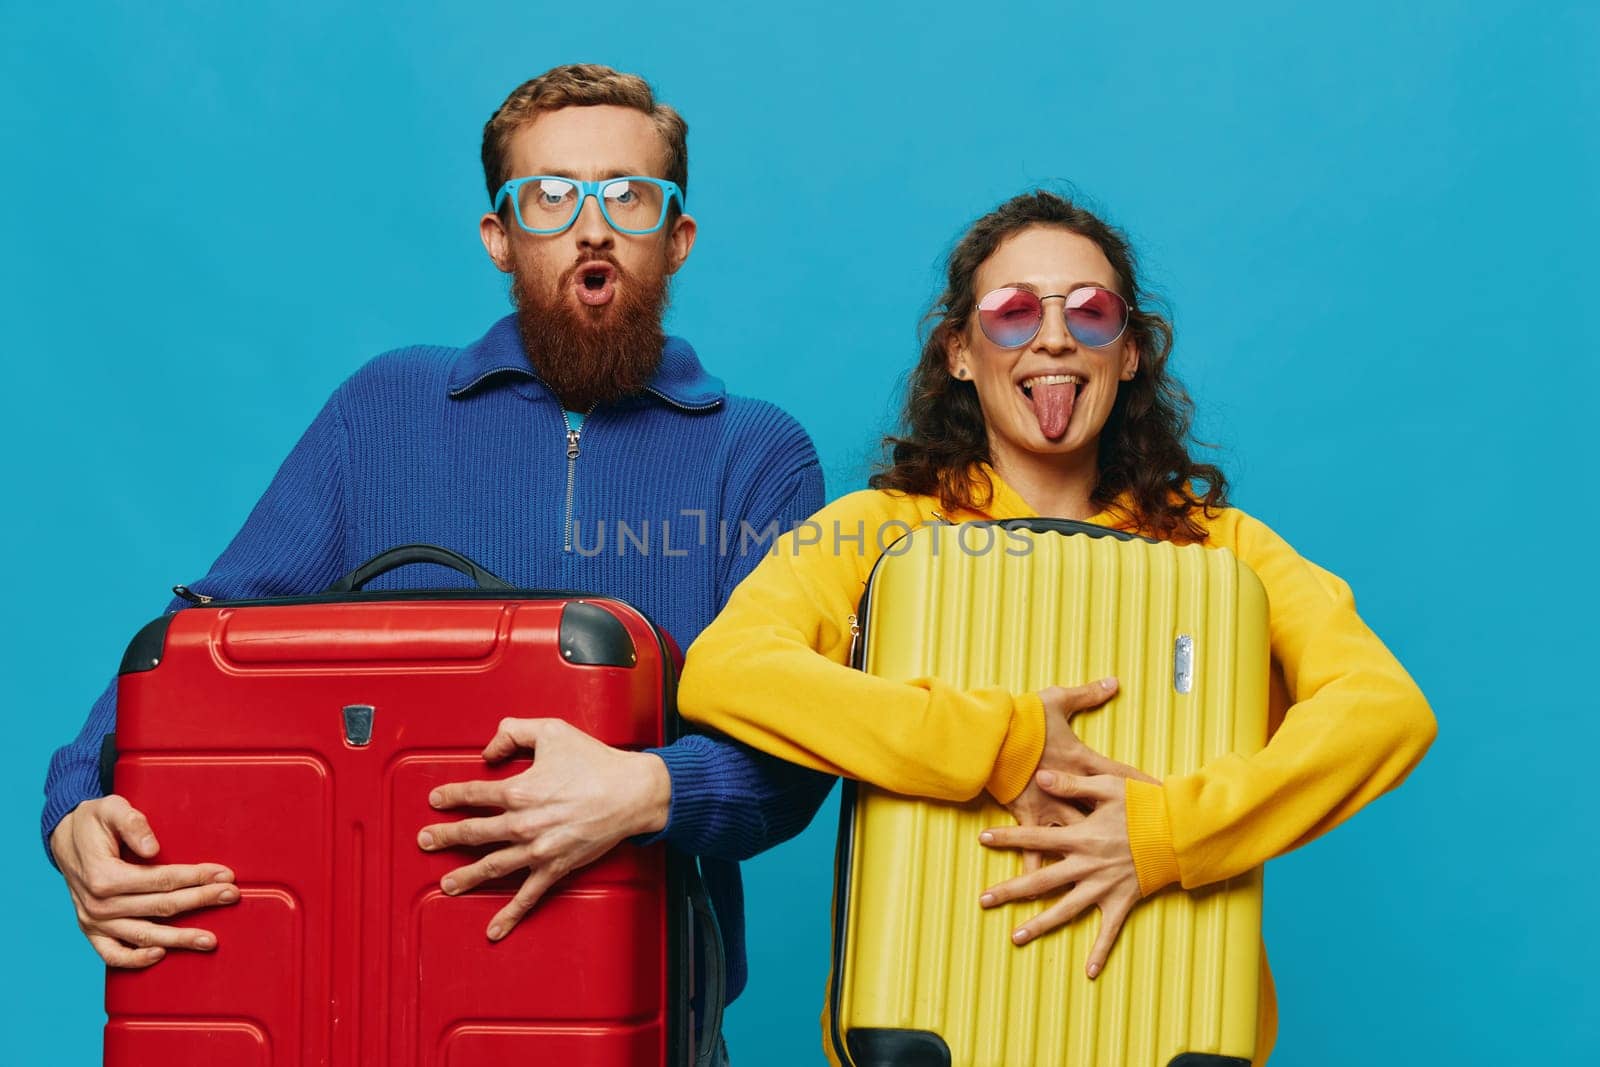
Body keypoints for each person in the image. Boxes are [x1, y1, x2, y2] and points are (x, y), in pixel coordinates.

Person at [40, 63, 834, 1061]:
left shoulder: (756, 455)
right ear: (499, 238)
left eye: (628, 195)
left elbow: (796, 753)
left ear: (676, 237)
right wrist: (74, 799)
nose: (590, 226)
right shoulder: (385, 411)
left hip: (638, 1005)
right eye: (549, 196)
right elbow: (202, 638)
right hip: (366, 986)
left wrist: (646, 791)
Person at [677, 190, 1437, 1062]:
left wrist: (1167, 833)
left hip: (1165, 1033)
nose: (1052, 337)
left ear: (1131, 354)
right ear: (959, 352)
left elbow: (1384, 709)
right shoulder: (884, 531)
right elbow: (726, 669)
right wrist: (1001, 743)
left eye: (1092, 311)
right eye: (1011, 312)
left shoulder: (1221, 552)